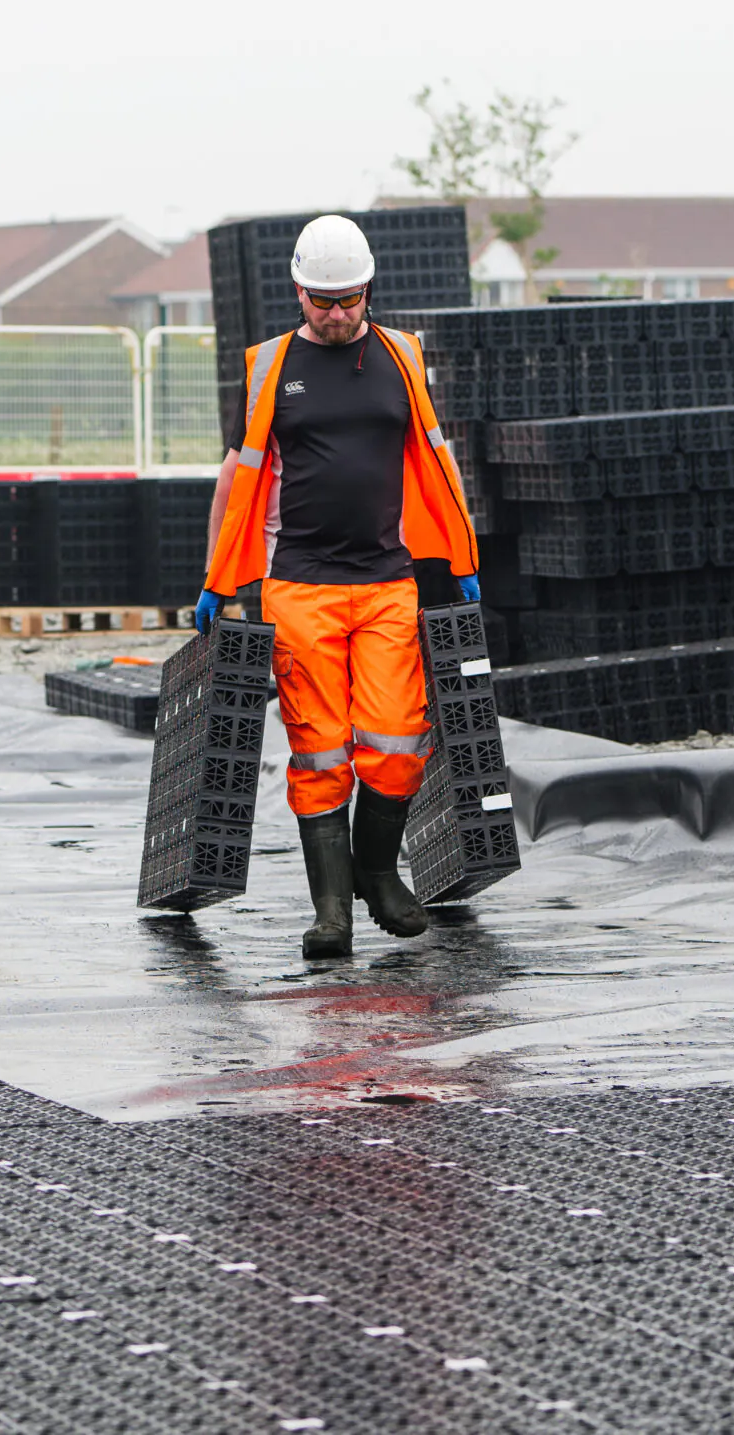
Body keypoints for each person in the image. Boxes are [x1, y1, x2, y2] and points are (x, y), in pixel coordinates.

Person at [198, 215, 481, 961]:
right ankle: (334, 913)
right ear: (298, 292)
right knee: (320, 752)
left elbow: (435, 460)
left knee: (395, 741)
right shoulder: (267, 367)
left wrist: (460, 555)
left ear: (367, 291)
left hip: (389, 581)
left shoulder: (402, 357)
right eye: (321, 301)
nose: (335, 313)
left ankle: (378, 874)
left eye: (348, 299)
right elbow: (237, 478)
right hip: (298, 586)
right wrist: (216, 580)